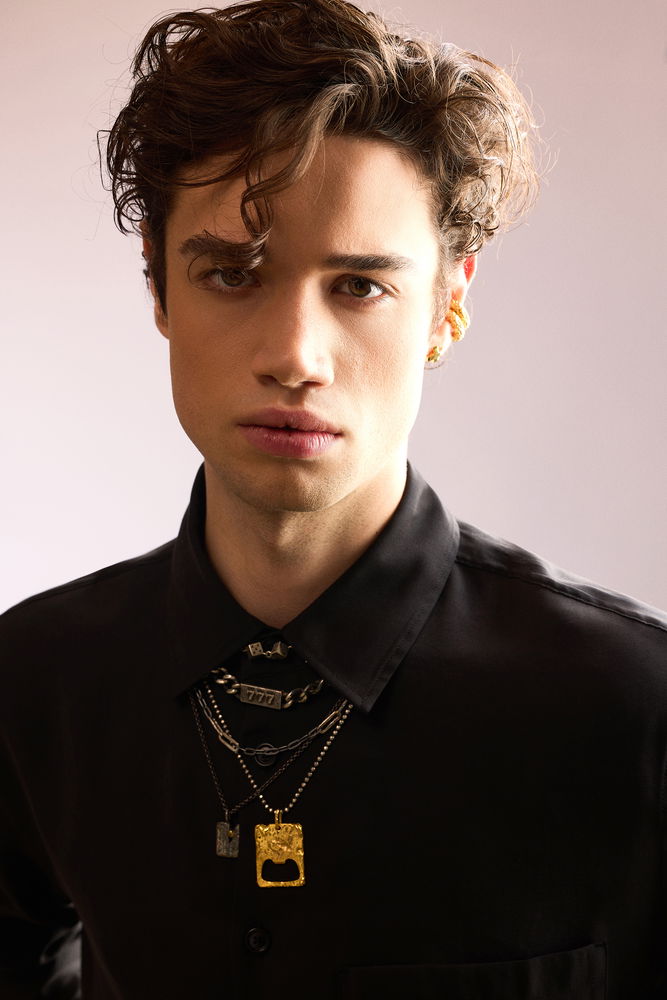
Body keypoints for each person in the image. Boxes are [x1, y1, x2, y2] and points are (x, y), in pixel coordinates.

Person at [1, 1, 665, 996]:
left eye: (358, 286)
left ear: (447, 305)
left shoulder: (634, 708)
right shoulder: (34, 683)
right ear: (159, 289)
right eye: (232, 274)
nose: (294, 356)